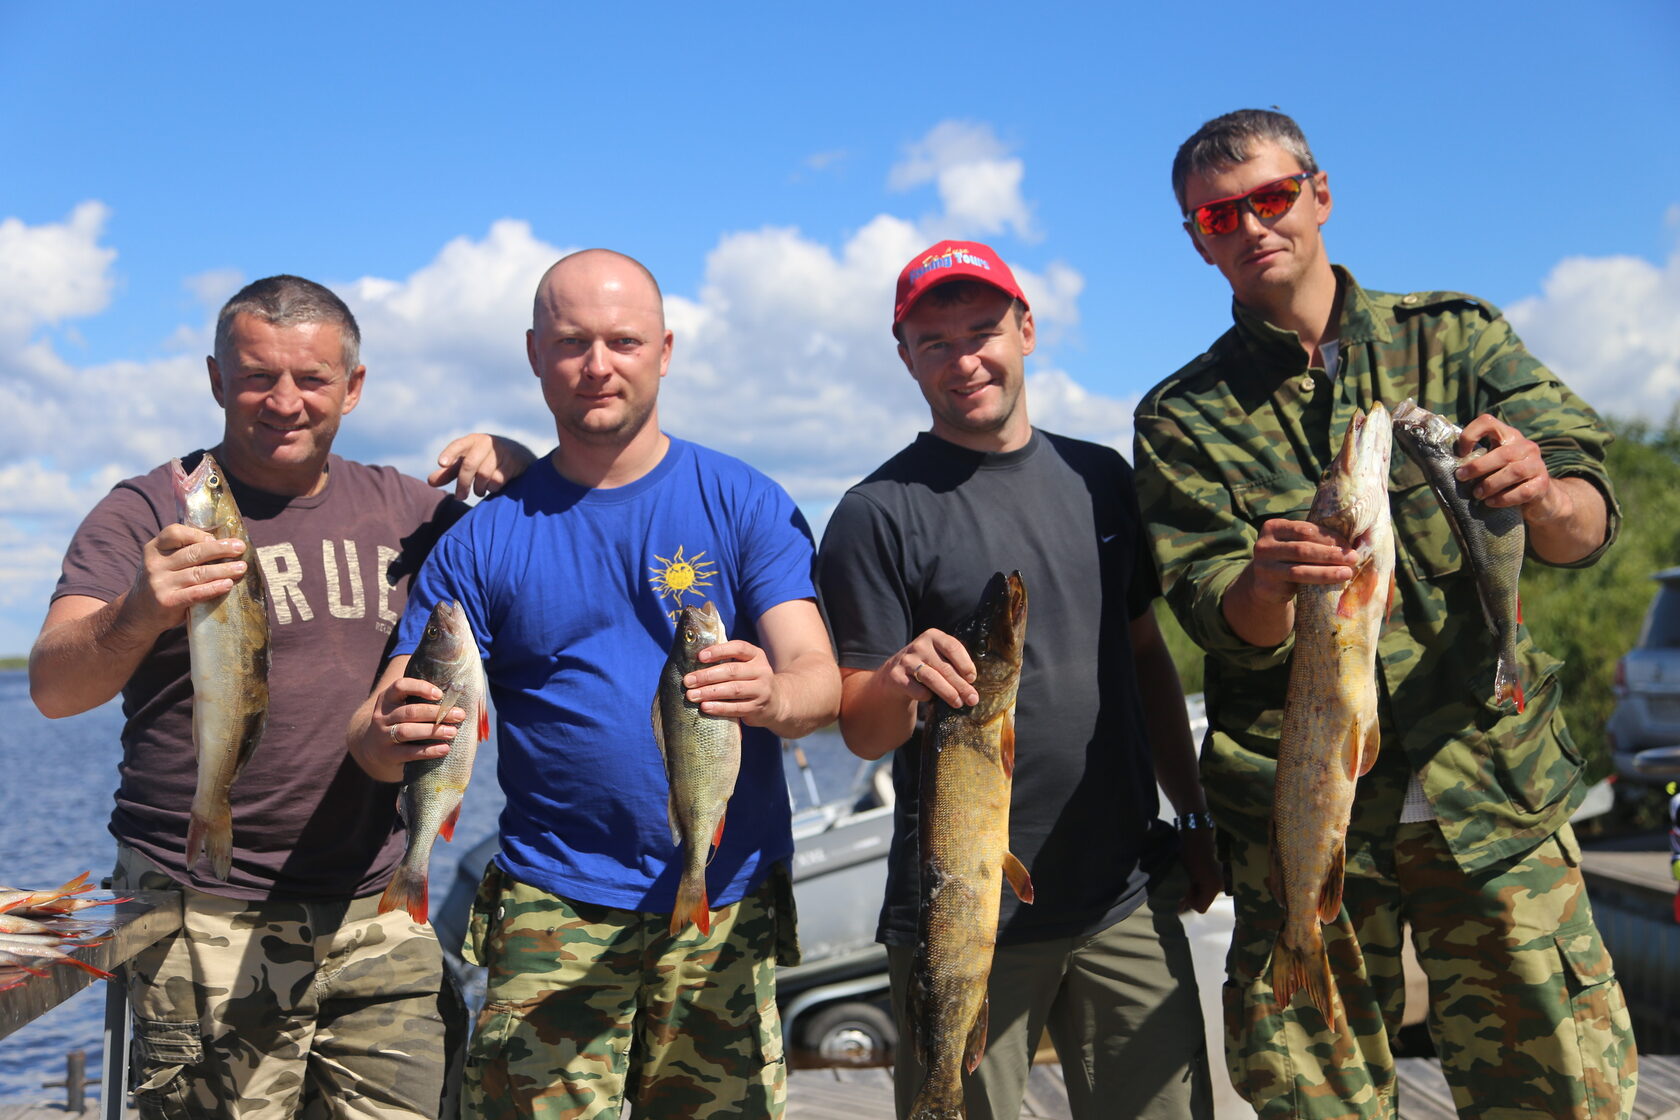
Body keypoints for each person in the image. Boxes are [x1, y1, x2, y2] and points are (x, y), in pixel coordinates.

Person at [1134, 108, 1638, 1119]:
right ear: (1196, 239)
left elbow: (1585, 529)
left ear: (1321, 194)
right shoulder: (1179, 416)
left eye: (1271, 197)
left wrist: (1540, 489)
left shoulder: (1454, 335)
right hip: (1301, 827)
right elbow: (1213, 613)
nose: (1250, 225)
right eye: (1219, 215)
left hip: (1493, 801)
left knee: (1561, 1098)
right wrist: (1265, 581)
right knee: (1313, 1104)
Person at [348, 248, 840, 1120]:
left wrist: (774, 695)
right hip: (552, 902)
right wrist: (384, 737)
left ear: (665, 349)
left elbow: (817, 679)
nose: (598, 365)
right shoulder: (480, 541)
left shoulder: (744, 499)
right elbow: (381, 727)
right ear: (535, 354)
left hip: (725, 902)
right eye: (573, 343)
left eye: (623, 340)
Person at [28, 273, 533, 1120]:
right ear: (217, 379)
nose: (284, 401)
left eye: (312, 379)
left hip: (380, 909)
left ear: (355, 387)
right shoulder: (151, 509)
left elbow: (543, 561)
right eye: (258, 376)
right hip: (205, 915)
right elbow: (51, 686)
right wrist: (138, 610)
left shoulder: (411, 512)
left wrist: (520, 468)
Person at [814, 239, 1219, 1120]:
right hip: (963, 921)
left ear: (1026, 329)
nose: (965, 360)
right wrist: (896, 679)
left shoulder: (1101, 477)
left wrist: (1190, 815)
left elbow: (1146, 657)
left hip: (1123, 896)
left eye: (983, 330)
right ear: (904, 356)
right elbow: (862, 729)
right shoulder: (875, 515)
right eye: (935, 341)